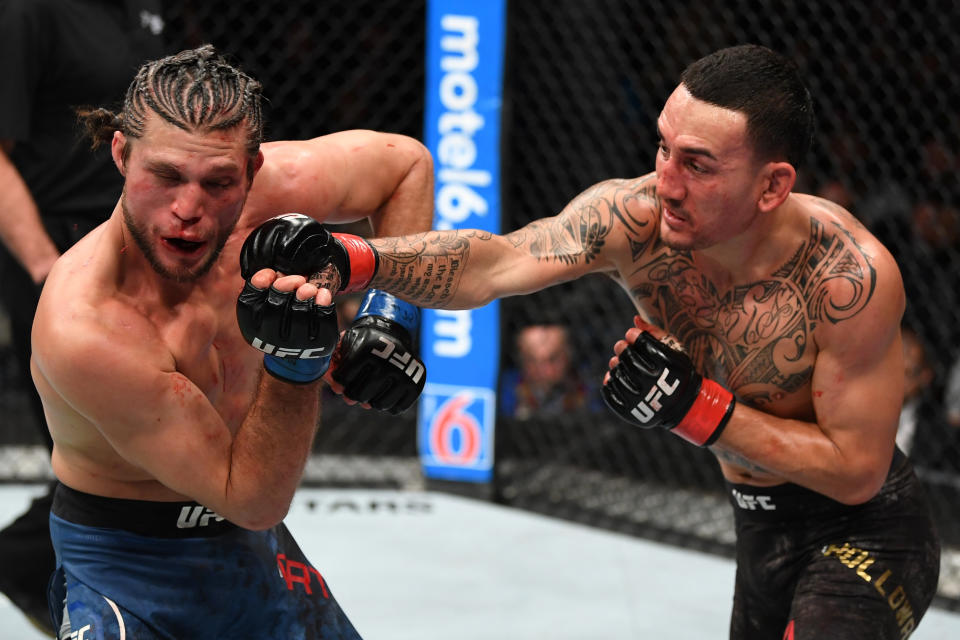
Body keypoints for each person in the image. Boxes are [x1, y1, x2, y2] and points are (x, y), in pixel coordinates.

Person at [296, 45, 942, 639]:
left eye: (698, 165)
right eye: (663, 149)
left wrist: (694, 410)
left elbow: (857, 473)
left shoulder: (845, 278)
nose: (667, 182)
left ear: (772, 185)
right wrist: (354, 257)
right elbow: (494, 263)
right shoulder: (634, 221)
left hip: (868, 533)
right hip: (758, 523)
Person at [30, 45, 433, 638]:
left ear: (251, 171)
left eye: (218, 182)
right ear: (121, 154)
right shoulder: (86, 325)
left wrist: (390, 313)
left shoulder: (265, 201)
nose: (188, 209)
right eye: (164, 175)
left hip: (252, 550)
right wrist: (298, 365)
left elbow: (405, 166)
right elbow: (248, 496)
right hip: (128, 567)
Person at [0, 0, 167, 631]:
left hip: (133, 251)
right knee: (99, 465)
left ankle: (25, 566)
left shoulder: (139, 11)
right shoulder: (28, 13)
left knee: (129, 459)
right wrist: (49, 269)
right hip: (57, 249)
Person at [499, 322, 598, 419]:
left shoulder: (590, 391)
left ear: (568, 355)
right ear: (520, 359)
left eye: (553, 359)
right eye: (532, 360)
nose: (543, 371)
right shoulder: (504, 390)